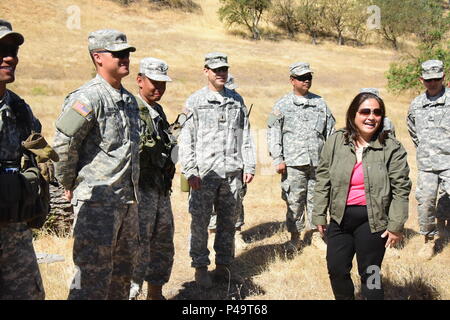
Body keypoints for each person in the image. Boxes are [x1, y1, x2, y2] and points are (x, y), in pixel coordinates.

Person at [53, 29, 140, 300]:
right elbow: (64, 143)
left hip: (127, 202)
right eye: (118, 54)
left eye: (127, 53)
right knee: (90, 279)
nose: (125, 58)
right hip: (97, 204)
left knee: (121, 278)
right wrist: (67, 183)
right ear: (98, 57)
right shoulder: (87, 98)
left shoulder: (129, 101)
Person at [312, 92, 411, 300]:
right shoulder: (337, 141)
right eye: (365, 111)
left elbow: (401, 188)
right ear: (353, 114)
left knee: (371, 273)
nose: (371, 117)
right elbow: (323, 179)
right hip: (340, 218)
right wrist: (319, 215)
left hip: (373, 221)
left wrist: (396, 225)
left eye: (377, 112)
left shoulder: (391, 147)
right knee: (337, 270)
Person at [179, 52, 256, 288]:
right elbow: (186, 139)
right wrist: (190, 170)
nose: (221, 73)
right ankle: (200, 268)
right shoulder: (194, 102)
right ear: (206, 72)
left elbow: (246, 135)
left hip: (232, 173)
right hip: (204, 175)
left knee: (228, 224)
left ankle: (224, 267)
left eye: (224, 69)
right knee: (200, 224)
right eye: (216, 70)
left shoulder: (236, 100)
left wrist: (249, 164)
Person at [267, 62, 335, 252]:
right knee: (294, 201)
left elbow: (330, 132)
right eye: (302, 78)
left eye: (309, 77)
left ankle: (316, 235)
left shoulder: (320, 103)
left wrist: (330, 159)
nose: (306, 81)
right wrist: (277, 158)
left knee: (318, 200)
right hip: (293, 163)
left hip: (318, 162)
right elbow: (273, 132)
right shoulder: (282, 105)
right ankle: (295, 237)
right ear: (292, 80)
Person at [0, 19, 45, 300]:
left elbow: (39, 159)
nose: (10, 57)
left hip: (15, 232)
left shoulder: (20, 109)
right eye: (1, 49)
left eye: (13, 50)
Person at [129, 57, 176, 300]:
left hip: (160, 189)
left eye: (162, 83)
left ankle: (155, 293)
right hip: (139, 191)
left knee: (163, 242)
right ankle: (131, 293)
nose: (158, 88)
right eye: (153, 82)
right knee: (139, 244)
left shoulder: (157, 111)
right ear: (139, 80)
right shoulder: (129, 108)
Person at [406, 59, 450, 259]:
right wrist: (427, 149)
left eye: (436, 79)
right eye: (428, 80)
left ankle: (444, 224)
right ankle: (428, 241)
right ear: (421, 79)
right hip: (427, 164)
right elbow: (413, 131)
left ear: (443, 77)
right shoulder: (416, 104)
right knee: (425, 201)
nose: (433, 83)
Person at [208, 73, 247, 249]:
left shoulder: (238, 105)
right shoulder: (207, 106)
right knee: (212, 202)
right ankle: (212, 232)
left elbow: (244, 136)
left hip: (234, 162)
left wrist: (247, 163)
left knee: (237, 199)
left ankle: (237, 232)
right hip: (212, 164)